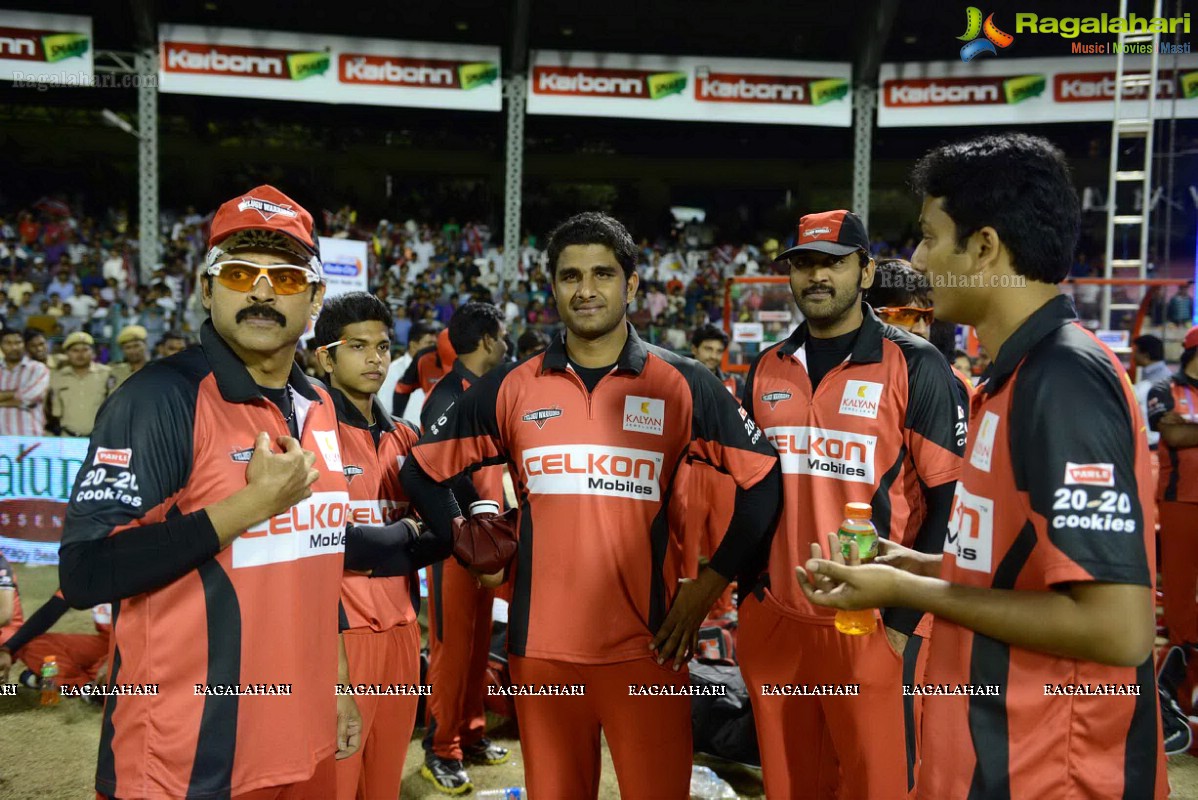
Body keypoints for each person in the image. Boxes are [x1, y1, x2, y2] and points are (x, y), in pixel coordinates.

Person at [798, 133, 1167, 799]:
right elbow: (1024, 575)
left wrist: (910, 594)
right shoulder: (1012, 378)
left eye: (931, 236)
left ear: (985, 247)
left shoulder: (1062, 379)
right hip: (990, 760)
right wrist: (910, 564)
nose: (918, 258)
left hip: (1053, 772)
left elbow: (1118, 628)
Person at [401, 211, 781, 799]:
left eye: (602, 274)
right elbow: (420, 469)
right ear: (551, 286)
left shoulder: (683, 382)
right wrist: (466, 540)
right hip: (540, 656)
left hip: (648, 650)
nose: (585, 289)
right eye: (570, 275)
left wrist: (709, 583)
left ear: (631, 285)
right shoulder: (511, 385)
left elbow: (764, 483)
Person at [58, 185, 364, 799]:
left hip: (295, 745)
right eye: (240, 272)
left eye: (282, 278)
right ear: (206, 289)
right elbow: (85, 572)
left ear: (313, 298)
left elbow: (313, 558)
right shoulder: (157, 398)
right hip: (183, 761)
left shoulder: (323, 405)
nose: (259, 291)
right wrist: (246, 508)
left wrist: (338, 682)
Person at [739, 209, 963, 800]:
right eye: (804, 263)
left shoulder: (917, 364)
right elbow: (746, 491)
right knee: (790, 788)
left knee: (879, 786)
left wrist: (906, 619)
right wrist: (749, 596)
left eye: (833, 263)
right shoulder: (764, 368)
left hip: (874, 622)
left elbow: (950, 500)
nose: (817, 276)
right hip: (779, 619)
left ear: (865, 272)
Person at [310, 291, 446, 800]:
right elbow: (327, 547)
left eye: (384, 347)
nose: (375, 358)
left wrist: (390, 543)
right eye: (358, 346)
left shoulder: (406, 438)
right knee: (336, 780)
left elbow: (446, 537)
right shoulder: (307, 435)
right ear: (326, 356)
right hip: (342, 637)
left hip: (404, 630)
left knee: (384, 781)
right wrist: (406, 535)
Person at [419, 301, 511, 793]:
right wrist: (472, 529)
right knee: (452, 648)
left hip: (485, 542)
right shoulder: (446, 398)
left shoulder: (484, 392)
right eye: (502, 335)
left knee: (477, 647)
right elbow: (440, 475)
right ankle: (441, 747)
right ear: (485, 341)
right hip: (454, 542)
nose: (507, 343)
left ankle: (471, 733)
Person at [1148, 325, 1198, 650]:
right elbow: (1175, 436)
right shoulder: (1165, 389)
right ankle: (1184, 667)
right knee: (1180, 592)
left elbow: (1185, 433)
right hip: (1181, 501)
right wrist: (1183, 430)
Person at [0, 587, 110, 694]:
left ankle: (49, 679)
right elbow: (51, 611)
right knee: (31, 644)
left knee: (111, 673)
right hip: (106, 643)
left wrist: (112, 661)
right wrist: (8, 649)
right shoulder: (86, 574)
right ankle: (85, 686)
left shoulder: (124, 576)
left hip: (125, 647)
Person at [49, 331, 114, 437]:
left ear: (93, 353)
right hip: (67, 437)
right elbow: (55, 412)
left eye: (85, 350)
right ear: (67, 354)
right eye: (75, 350)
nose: (80, 354)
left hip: (98, 438)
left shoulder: (106, 373)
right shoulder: (58, 376)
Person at [375, 319, 439, 413]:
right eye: (430, 344)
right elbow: (385, 410)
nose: (434, 349)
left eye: (435, 344)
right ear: (413, 345)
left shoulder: (436, 369)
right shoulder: (394, 370)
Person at [392, 327, 455, 420]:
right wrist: (397, 422)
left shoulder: (479, 360)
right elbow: (402, 389)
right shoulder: (424, 359)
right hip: (433, 422)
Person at [0, 325, 50, 436]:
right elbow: (23, 397)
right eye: (8, 343)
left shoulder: (38, 368)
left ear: (24, 345)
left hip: (29, 436)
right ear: (1, 346)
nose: (14, 347)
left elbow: (30, 397)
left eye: (18, 343)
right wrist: (18, 396)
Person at [1133, 334, 1171, 450]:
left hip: (1152, 442)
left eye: (1135, 352)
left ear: (1145, 355)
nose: (1133, 356)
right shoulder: (1164, 374)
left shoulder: (1151, 384)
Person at [111, 324, 150, 388]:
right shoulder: (116, 372)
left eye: (136, 346)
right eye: (128, 347)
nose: (133, 351)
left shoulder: (157, 370)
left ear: (145, 344)